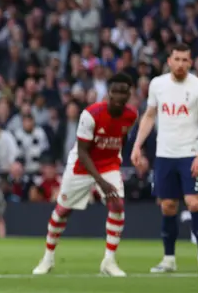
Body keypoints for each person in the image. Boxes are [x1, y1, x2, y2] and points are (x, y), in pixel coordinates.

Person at [32, 72, 137, 277]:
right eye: (115, 91)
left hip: (109, 164)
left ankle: (109, 261)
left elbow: (121, 138)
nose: (119, 96)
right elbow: (83, 151)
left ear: (129, 94)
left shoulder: (131, 115)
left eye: (123, 92)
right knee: (63, 210)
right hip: (81, 165)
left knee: (117, 205)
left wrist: (116, 161)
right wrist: (100, 182)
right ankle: (48, 258)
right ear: (108, 93)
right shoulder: (91, 114)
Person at [131, 43, 198, 275]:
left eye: (184, 60)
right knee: (168, 206)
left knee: (194, 202)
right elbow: (149, 116)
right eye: (176, 59)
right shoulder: (158, 85)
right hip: (165, 154)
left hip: (189, 154)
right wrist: (137, 145)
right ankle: (169, 259)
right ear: (169, 60)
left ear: (190, 62)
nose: (180, 64)